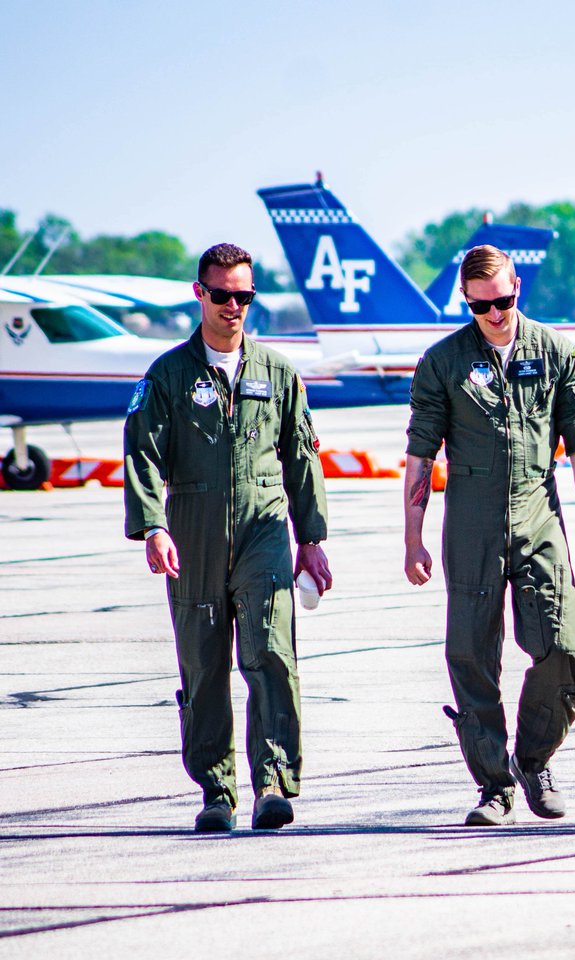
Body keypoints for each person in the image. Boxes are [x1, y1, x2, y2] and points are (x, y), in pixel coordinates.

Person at [124, 243, 332, 833]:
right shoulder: (169, 375)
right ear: (200, 294)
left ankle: (272, 783)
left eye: (245, 296)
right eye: (223, 295)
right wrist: (153, 526)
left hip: (264, 531)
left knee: (271, 654)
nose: (234, 307)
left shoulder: (278, 372)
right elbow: (142, 454)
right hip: (193, 533)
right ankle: (217, 790)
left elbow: (302, 456)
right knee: (204, 664)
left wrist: (311, 537)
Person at [404, 244, 575, 827]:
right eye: (481, 306)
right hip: (471, 518)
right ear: (465, 301)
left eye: (505, 301)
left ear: (520, 289)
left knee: (564, 650)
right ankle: (494, 785)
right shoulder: (442, 362)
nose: (495, 315)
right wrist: (412, 539)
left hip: (540, 515)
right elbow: (420, 456)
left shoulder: (555, 352)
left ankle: (533, 757)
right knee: (470, 655)